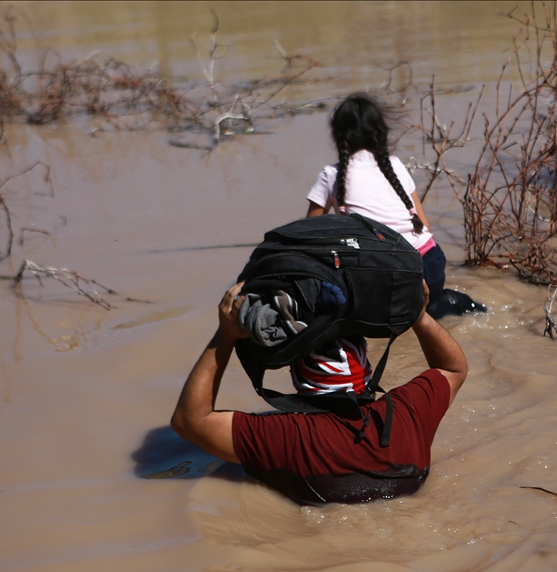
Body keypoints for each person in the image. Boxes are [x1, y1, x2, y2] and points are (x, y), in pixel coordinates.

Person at [170, 281, 468, 505]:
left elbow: (189, 421)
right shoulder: (408, 413)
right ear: (366, 367)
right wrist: (419, 316)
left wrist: (225, 336)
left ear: (297, 377)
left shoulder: (284, 436)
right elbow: (454, 368)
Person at [306, 94, 483, 317]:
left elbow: (308, 236)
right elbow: (424, 225)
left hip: (388, 276)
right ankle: (445, 303)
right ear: (380, 132)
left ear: (337, 136)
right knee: (420, 309)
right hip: (431, 263)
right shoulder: (395, 165)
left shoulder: (330, 175)